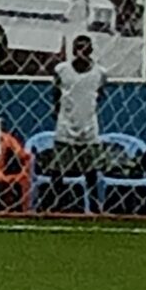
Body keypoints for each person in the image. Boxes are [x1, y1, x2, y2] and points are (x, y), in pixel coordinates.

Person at [45, 34, 110, 207]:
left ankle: (95, 207)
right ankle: (55, 206)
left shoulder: (100, 73)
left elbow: (99, 94)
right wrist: (59, 110)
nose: (81, 52)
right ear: (73, 50)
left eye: (85, 48)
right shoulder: (62, 70)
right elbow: (56, 93)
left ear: (91, 51)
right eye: (78, 47)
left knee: (91, 171)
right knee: (58, 170)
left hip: (89, 128)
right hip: (65, 127)